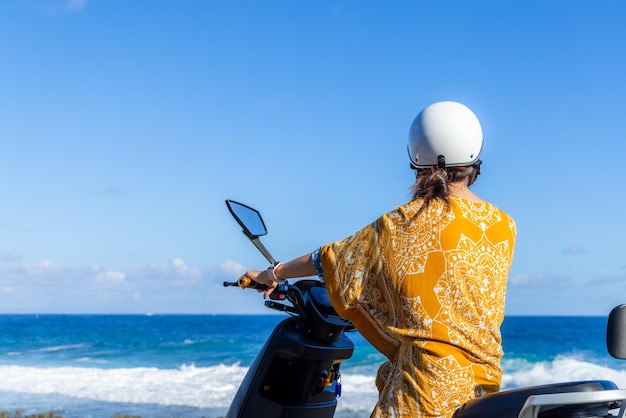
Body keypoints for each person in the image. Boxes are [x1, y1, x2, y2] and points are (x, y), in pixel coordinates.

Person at [241, 101, 517, 417]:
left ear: (416, 158)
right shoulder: (505, 226)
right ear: (474, 158)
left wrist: (275, 273)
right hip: (483, 393)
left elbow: (331, 259)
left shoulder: (402, 223)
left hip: (422, 395)